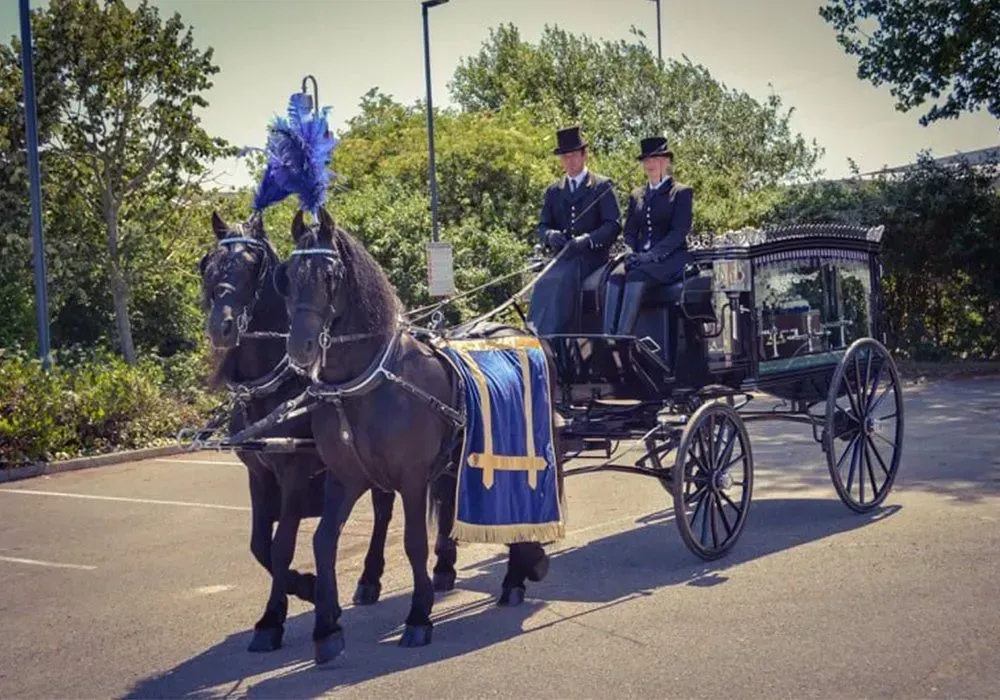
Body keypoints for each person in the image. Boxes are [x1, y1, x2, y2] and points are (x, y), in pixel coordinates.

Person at [527, 125, 621, 335]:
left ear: (584, 155)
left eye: (573, 156)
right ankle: (534, 334)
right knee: (542, 281)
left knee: (562, 279)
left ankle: (556, 337)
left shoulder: (601, 185)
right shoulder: (553, 191)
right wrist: (550, 236)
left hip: (591, 258)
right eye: (565, 157)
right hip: (561, 257)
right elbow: (542, 226)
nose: (570, 161)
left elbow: (613, 225)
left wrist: (587, 240)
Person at [602, 135, 694, 336]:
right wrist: (629, 252)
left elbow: (679, 232)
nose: (651, 164)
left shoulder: (681, 192)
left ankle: (623, 336)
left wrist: (651, 255)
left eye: (656, 159)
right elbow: (630, 231)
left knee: (636, 275)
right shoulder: (637, 195)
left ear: (666, 162)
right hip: (641, 259)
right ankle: (607, 336)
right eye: (647, 160)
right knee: (615, 276)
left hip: (671, 259)